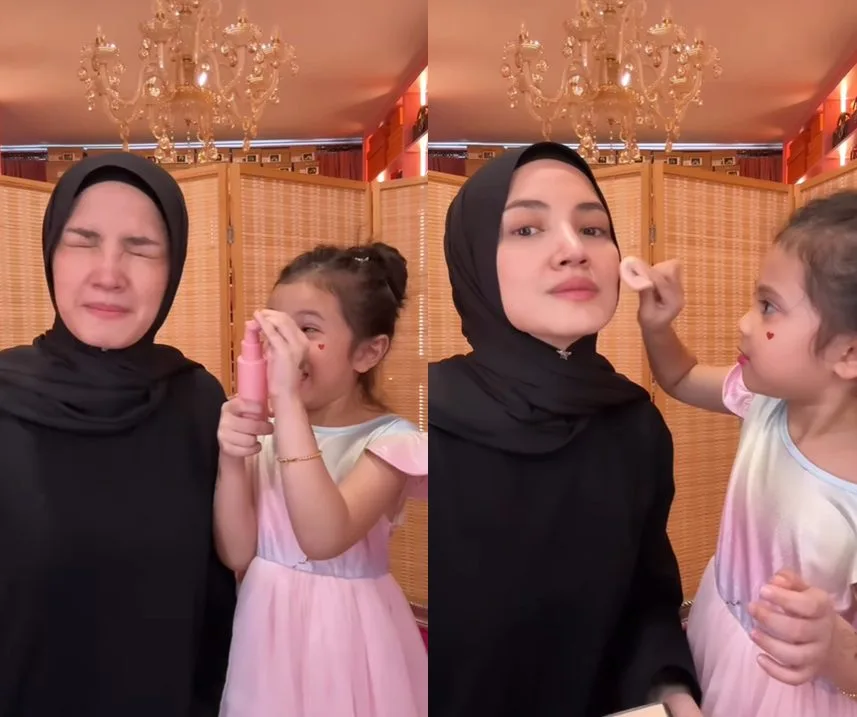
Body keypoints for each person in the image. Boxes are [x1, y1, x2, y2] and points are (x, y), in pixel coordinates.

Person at [429, 142, 700, 717]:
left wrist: (669, 690)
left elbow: (647, 600)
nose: (574, 251)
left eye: (594, 229)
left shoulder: (635, 424)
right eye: (526, 229)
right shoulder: (430, 416)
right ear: (473, 259)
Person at [0, 153, 236, 717]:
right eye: (83, 241)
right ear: (51, 253)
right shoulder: (4, 395)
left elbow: (219, 600)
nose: (109, 273)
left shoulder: (200, 403)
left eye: (141, 248)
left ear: (173, 267)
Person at [635, 191, 857, 716]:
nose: (743, 322)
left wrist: (835, 650)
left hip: (791, 687)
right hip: (722, 625)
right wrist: (657, 325)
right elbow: (681, 376)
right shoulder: (763, 400)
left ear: (848, 352)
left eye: (767, 306)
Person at [215, 242, 428, 717]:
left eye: (307, 329)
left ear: (368, 352)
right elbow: (237, 552)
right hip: (265, 637)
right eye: (277, 329)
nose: (285, 347)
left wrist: (287, 402)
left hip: (349, 640)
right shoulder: (268, 429)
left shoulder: (393, 443)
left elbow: (322, 537)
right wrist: (232, 456)